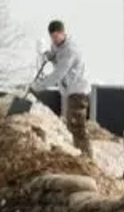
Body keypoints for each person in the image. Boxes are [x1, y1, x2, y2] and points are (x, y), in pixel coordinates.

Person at [34, 20, 92, 157]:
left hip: (78, 91)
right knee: (71, 126)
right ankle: (80, 155)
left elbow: (58, 73)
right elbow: (55, 55)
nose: (54, 40)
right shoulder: (57, 46)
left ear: (63, 33)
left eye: (56, 36)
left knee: (77, 126)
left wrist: (39, 86)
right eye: (52, 37)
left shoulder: (70, 50)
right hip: (70, 92)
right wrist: (48, 55)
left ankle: (86, 158)